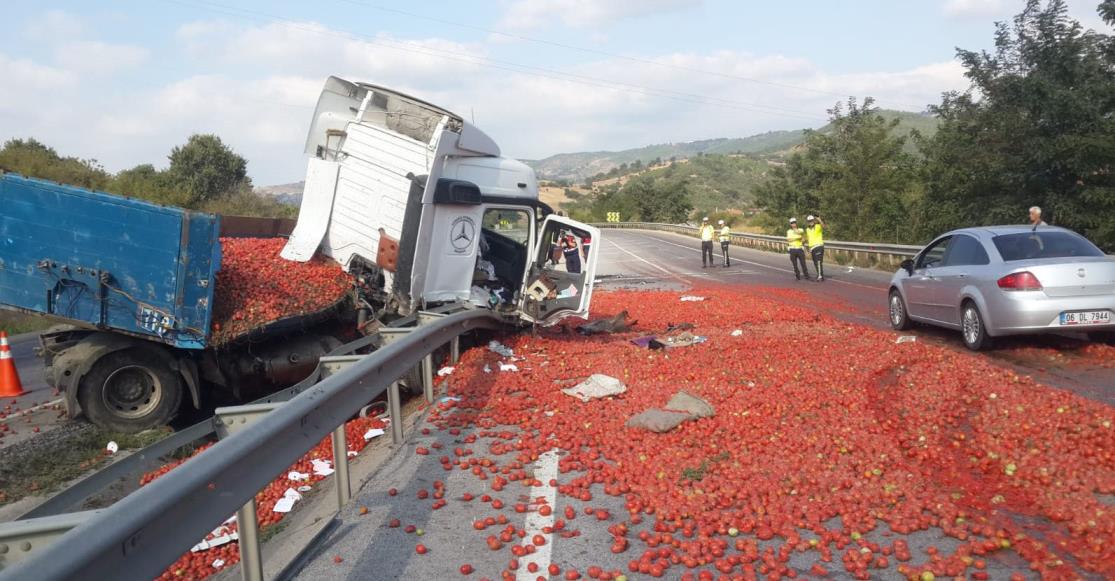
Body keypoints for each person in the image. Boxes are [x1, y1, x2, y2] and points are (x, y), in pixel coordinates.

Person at [805, 215, 825, 281]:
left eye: (812, 220)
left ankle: (820, 276)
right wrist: (808, 247)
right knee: (815, 262)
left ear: (814, 220)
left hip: (818, 246)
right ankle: (820, 274)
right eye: (809, 221)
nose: (811, 222)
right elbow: (808, 238)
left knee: (818, 262)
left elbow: (824, 226)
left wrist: (819, 220)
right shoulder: (807, 229)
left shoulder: (818, 226)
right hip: (812, 248)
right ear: (807, 222)